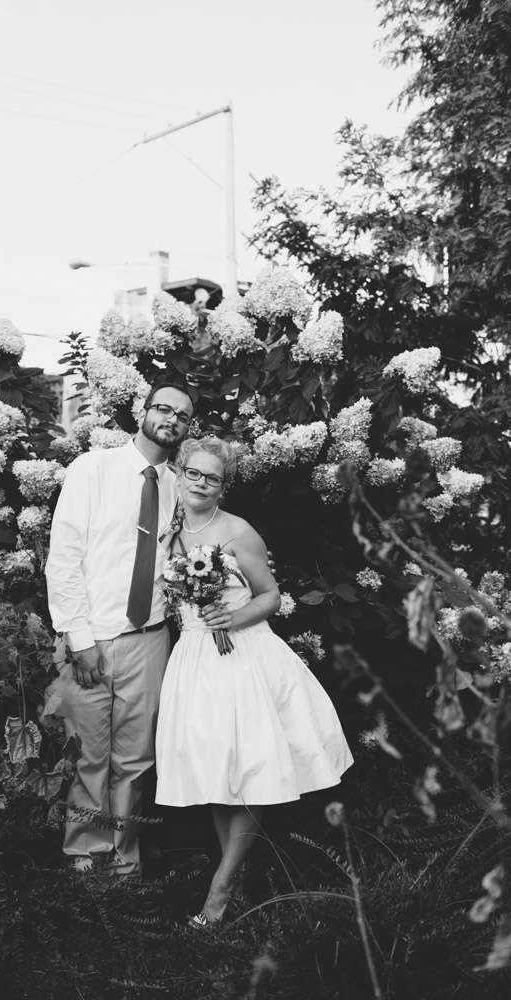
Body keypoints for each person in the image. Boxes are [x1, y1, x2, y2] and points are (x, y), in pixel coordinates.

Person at [155, 437, 354, 926]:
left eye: (213, 478)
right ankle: (238, 876)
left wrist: (231, 617)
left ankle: (219, 892)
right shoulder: (169, 532)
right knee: (217, 772)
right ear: (179, 474)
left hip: (244, 657)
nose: (201, 484)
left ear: (224, 486)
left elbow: (270, 596)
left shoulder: (238, 531)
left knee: (251, 772)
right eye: (194, 473)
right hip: (196, 660)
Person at [44, 380, 195, 876]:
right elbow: (64, 558)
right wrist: (79, 638)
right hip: (93, 637)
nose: (171, 420)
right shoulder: (93, 468)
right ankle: (84, 854)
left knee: (136, 758)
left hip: (150, 638)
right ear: (143, 411)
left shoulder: (179, 486)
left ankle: (124, 858)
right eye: (164, 408)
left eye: (183, 416)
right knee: (89, 753)